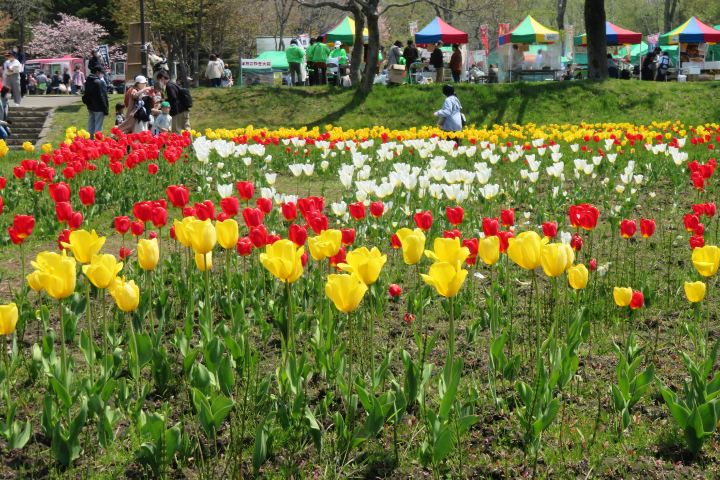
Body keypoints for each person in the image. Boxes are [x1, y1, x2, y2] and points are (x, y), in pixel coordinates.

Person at [83, 65, 109, 139]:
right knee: (98, 126)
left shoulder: (88, 80)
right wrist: (105, 107)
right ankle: (97, 142)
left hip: (90, 106)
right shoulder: (98, 82)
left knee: (90, 125)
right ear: (97, 72)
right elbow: (101, 96)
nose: (102, 74)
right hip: (98, 107)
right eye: (101, 72)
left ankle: (89, 140)